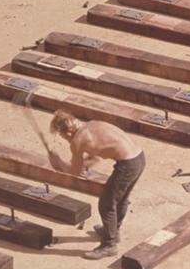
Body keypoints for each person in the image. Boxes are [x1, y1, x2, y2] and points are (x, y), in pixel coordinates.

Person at [47, 110, 146, 259]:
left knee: (106, 204)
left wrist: (59, 163)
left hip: (127, 165)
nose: (64, 139)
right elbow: (94, 159)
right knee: (120, 199)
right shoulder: (91, 125)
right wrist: (76, 164)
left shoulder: (77, 141)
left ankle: (109, 245)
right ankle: (113, 231)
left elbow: (74, 172)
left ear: (67, 132)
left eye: (61, 136)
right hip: (139, 157)